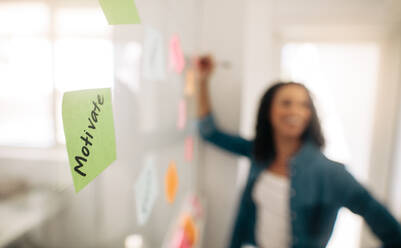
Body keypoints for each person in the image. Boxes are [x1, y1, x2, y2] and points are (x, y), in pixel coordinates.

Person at [195, 55, 401, 248]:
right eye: (286, 103)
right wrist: (202, 81)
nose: (295, 111)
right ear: (268, 111)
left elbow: (392, 232)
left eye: (304, 105)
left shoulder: (330, 173)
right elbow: (210, 133)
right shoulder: (259, 152)